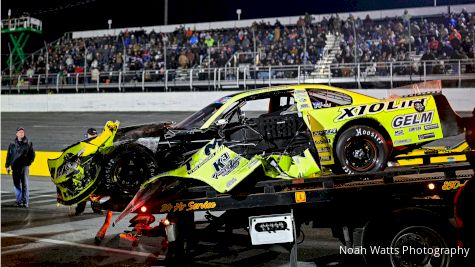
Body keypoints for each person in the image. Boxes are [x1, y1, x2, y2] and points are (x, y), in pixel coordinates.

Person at [5, 127, 35, 207]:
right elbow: (9, 155)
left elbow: (32, 155)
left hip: (24, 167)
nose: (21, 133)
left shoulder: (28, 143)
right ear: (16, 134)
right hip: (15, 167)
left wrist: (28, 163)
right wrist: (7, 166)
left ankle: (25, 202)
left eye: (22, 132)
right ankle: (19, 201)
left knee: (25, 184)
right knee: (16, 184)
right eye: (20, 132)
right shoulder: (12, 143)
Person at [75, 128, 102, 215]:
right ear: (87, 135)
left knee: (95, 191)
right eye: (92, 135)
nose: (93, 137)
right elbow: (78, 158)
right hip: (84, 172)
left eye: (94, 135)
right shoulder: (82, 145)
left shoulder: (98, 145)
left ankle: (96, 208)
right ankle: (80, 209)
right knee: (83, 191)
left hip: (93, 171)